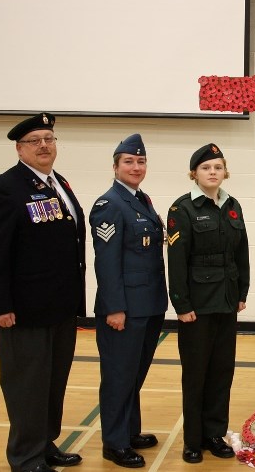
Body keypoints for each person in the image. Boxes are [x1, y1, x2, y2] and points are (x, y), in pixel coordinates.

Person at [0, 113, 86, 472]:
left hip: (60, 308)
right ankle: (25, 457)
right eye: (35, 140)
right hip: (24, 311)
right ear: (19, 148)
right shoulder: (4, 187)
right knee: (27, 386)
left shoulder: (60, 183)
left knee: (53, 383)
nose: (44, 145)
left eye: (49, 138)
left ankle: (45, 443)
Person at [166, 143, 250, 464]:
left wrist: (242, 291)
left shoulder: (233, 205)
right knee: (196, 373)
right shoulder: (182, 209)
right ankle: (192, 440)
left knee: (221, 372)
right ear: (194, 174)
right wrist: (181, 304)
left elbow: (241, 252)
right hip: (197, 306)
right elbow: (176, 261)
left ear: (224, 171)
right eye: (205, 168)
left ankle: (215, 433)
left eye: (217, 167)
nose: (212, 172)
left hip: (227, 301)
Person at [89, 134, 168, 468]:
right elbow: (106, 264)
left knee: (134, 374)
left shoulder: (141, 199)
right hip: (124, 309)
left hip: (148, 304)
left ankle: (129, 431)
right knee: (120, 375)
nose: (136, 167)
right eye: (129, 162)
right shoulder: (109, 204)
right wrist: (115, 308)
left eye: (141, 161)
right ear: (116, 166)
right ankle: (115, 442)